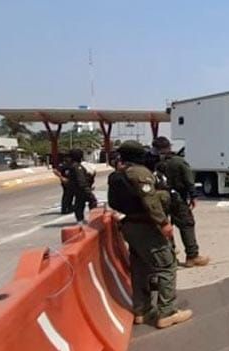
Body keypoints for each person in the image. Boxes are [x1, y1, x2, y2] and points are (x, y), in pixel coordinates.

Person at [108, 141, 193, 329]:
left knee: (140, 267)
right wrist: (163, 223)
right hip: (145, 226)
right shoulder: (140, 173)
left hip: (129, 226)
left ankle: (141, 310)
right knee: (166, 265)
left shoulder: (118, 174)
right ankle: (167, 312)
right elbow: (150, 201)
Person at [151, 137, 210, 268]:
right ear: (169, 147)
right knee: (187, 225)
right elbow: (189, 180)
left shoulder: (154, 164)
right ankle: (192, 256)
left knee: (164, 226)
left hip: (160, 200)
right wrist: (193, 196)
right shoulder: (178, 162)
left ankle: (170, 257)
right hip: (177, 198)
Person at [68, 149, 96, 224]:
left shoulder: (73, 166)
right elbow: (81, 179)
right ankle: (93, 218)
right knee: (92, 201)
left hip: (77, 189)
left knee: (79, 203)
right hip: (82, 188)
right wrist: (86, 188)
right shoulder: (77, 167)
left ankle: (80, 219)